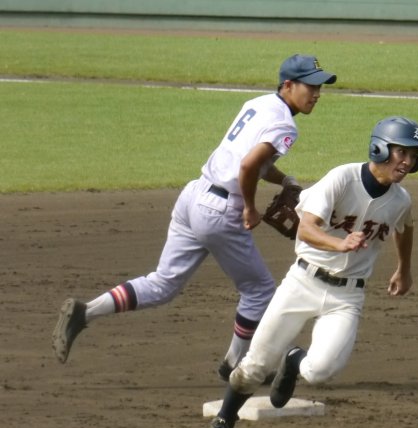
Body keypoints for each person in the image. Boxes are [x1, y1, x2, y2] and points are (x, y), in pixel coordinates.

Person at [51, 54, 337, 382]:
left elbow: (251, 162)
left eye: (320, 88)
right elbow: (246, 167)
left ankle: (85, 312)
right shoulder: (286, 124)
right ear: (288, 85)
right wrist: (249, 207)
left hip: (194, 196)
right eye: (311, 86)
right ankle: (235, 362)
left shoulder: (258, 103)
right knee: (258, 290)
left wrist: (284, 180)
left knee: (164, 282)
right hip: (220, 211)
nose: (316, 94)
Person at [204, 115, 418, 428]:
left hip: (347, 298)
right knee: (254, 365)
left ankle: (294, 361)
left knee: (320, 370)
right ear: (379, 149)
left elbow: (405, 226)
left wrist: (404, 267)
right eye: (402, 152)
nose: (408, 162)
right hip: (303, 282)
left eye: (413, 157)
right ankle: (225, 419)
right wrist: (339, 243)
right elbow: (306, 226)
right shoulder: (342, 179)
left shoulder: (401, 200)